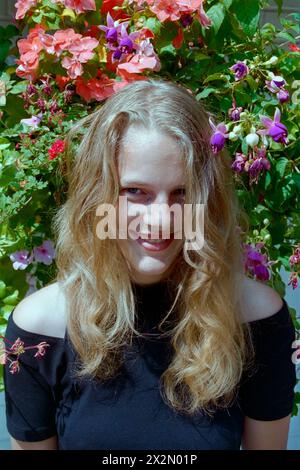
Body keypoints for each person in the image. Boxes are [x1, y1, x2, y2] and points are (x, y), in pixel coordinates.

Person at [3, 78, 297, 450]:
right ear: (98, 195)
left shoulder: (256, 321)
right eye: (135, 192)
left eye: (182, 192)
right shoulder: (39, 330)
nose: (160, 219)